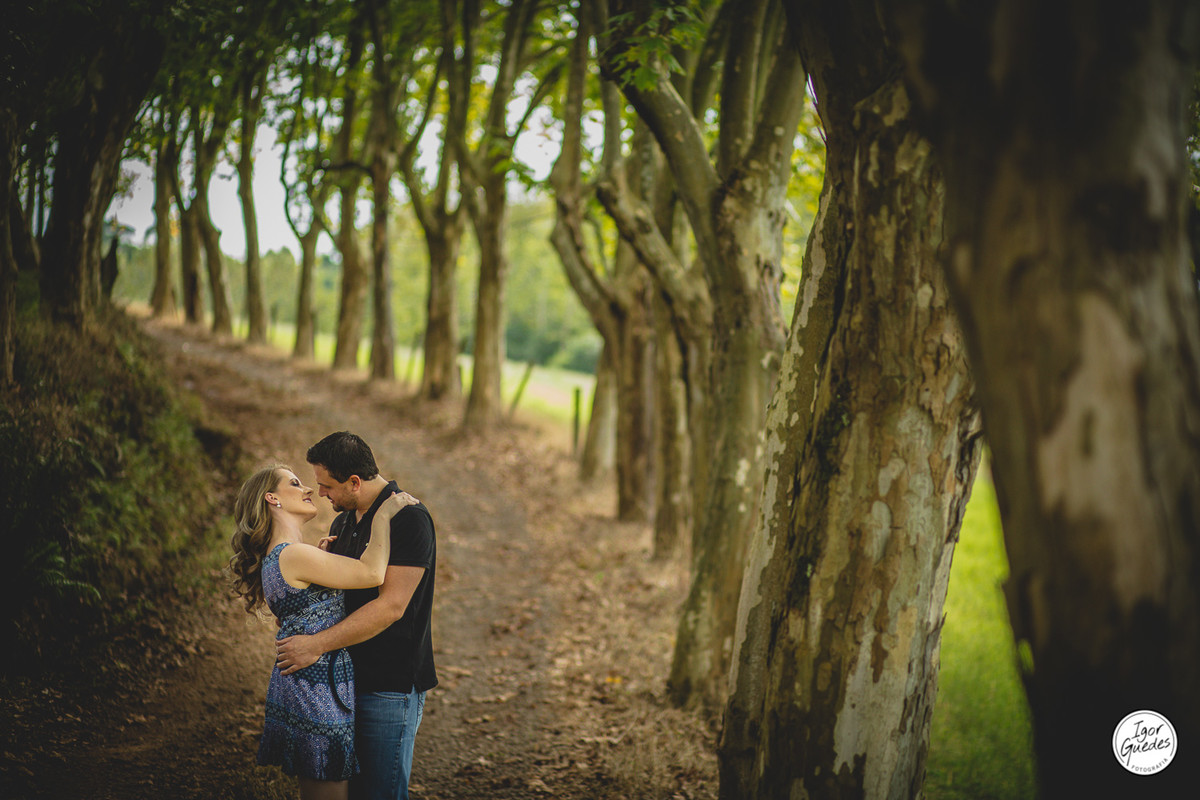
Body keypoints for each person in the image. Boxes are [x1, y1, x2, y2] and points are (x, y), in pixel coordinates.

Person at [230, 463, 417, 800]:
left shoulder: (284, 556)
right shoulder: (294, 555)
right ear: (272, 498)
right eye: (295, 483)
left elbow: (303, 611)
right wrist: (385, 512)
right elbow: (372, 573)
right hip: (316, 685)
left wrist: (323, 562)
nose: (308, 490)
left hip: (311, 682)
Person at [275, 431, 439, 800]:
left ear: (354, 482)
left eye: (326, 486)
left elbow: (391, 607)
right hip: (345, 684)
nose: (321, 494)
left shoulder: (408, 519)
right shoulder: (343, 522)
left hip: (388, 685)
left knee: (379, 794)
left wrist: (315, 645)